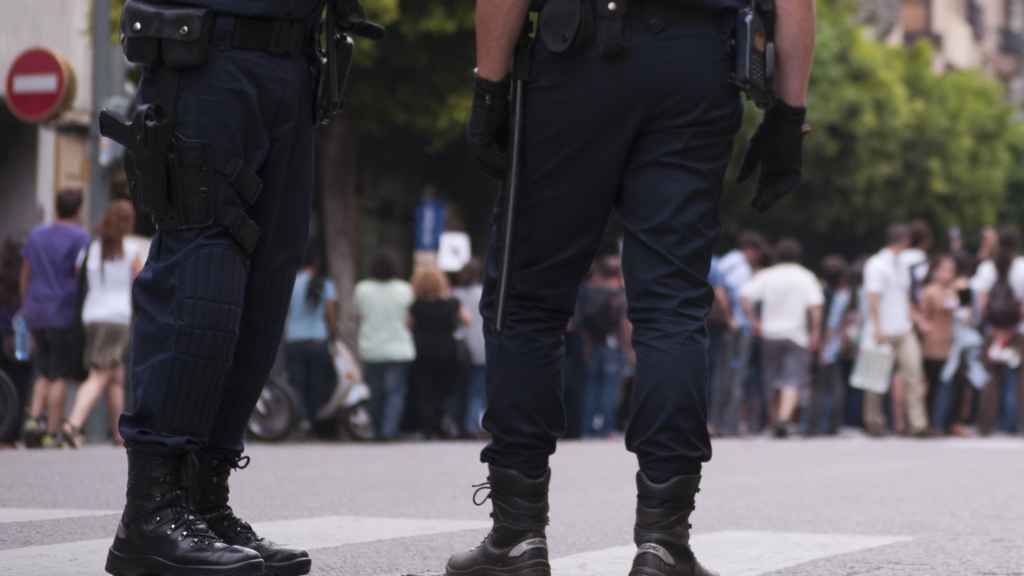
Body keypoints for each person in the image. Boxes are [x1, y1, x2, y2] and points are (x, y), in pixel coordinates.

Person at [446, 1, 815, 575]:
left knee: (526, 299)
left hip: (578, 56)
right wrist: (790, 114)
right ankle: (664, 540)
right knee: (671, 306)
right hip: (698, 60)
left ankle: (518, 532)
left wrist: (489, 87)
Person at [102, 1, 378, 574]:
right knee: (204, 276)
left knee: (266, 287)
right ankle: (152, 511)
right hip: (207, 52)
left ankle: (204, 499)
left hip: (295, 59)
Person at [62, 200, 143, 448]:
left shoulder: (92, 248)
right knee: (100, 374)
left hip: (92, 315)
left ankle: (120, 434)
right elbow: (141, 282)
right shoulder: (130, 250)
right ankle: (72, 424)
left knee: (116, 376)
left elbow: (78, 273)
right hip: (117, 318)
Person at [20, 189, 90, 449]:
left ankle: (33, 418)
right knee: (59, 373)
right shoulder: (81, 237)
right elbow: (80, 272)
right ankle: (51, 432)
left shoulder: (36, 235)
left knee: (42, 369)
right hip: (63, 310)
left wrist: (26, 304)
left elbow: (25, 273)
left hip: (36, 310)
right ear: (78, 210)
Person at [741, 238, 823, 438]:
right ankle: (784, 419)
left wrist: (754, 321)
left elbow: (745, 296)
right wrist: (815, 332)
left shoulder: (767, 275)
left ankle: (774, 419)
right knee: (792, 378)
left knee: (771, 377)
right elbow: (815, 306)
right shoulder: (806, 276)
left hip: (769, 333)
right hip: (796, 334)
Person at [862, 224, 929, 437]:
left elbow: (904, 296)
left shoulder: (902, 264)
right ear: (904, 241)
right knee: (875, 377)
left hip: (902, 327)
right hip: (881, 327)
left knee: (914, 374)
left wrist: (916, 318)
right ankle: (873, 422)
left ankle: (918, 423)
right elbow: (873, 297)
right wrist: (877, 327)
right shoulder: (876, 264)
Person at [354, 250, 416, 440]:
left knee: (375, 392)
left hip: (371, 347)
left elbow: (359, 317)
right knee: (395, 393)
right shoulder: (405, 289)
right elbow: (409, 320)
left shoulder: (362, 288)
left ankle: (376, 429)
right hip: (398, 348)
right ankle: (390, 431)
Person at [713, 231, 765, 435]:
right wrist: (750, 320)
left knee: (721, 375)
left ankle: (716, 421)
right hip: (738, 327)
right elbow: (741, 296)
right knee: (735, 376)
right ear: (752, 251)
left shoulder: (724, 262)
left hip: (720, 326)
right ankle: (728, 425)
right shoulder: (740, 267)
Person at [409, 266, 470, 438]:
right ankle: (443, 424)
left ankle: (427, 428)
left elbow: (408, 325)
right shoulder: (452, 303)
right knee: (446, 390)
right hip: (447, 351)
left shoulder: (416, 305)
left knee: (425, 391)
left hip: (423, 351)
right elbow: (467, 320)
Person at [284, 243, 338, 434]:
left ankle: (298, 422)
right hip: (317, 340)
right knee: (317, 384)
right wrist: (334, 335)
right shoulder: (325, 284)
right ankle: (315, 424)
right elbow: (330, 314)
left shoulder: (291, 281)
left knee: (296, 384)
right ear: (316, 262)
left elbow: (286, 312)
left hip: (294, 339)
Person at [578, 254, 629, 437]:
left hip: (592, 343)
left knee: (591, 387)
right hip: (612, 344)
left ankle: (587, 427)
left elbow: (581, 321)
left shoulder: (587, 291)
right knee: (610, 387)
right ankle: (606, 427)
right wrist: (628, 348)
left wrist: (586, 345)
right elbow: (623, 323)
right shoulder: (618, 292)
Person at [809, 254, 851, 435]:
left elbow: (827, 323)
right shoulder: (845, 294)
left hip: (826, 345)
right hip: (836, 344)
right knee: (835, 385)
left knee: (820, 386)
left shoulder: (823, 293)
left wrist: (822, 347)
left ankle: (816, 425)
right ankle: (833, 425)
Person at [917, 254, 957, 429]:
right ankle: (931, 423)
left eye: (951, 270)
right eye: (944, 270)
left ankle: (945, 423)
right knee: (932, 385)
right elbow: (922, 316)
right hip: (932, 344)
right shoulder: (929, 291)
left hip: (952, 344)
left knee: (949, 386)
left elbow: (967, 313)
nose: (948, 274)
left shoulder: (956, 290)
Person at [453, 259, 487, 437]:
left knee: (460, 389)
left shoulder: (455, 294)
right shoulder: (483, 293)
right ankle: (472, 423)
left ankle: (458, 423)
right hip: (481, 345)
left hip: (460, 347)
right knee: (477, 389)